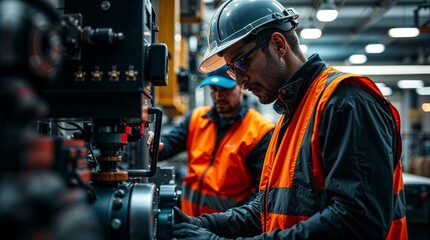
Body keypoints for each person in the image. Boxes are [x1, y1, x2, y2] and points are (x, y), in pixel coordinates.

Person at [171, 0, 408, 239]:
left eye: (242, 62)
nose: (240, 82)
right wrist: (198, 224)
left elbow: (358, 220)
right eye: (233, 69)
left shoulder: (346, 103)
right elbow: (267, 211)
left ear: (277, 44)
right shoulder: (292, 114)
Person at [147, 65, 274, 217]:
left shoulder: (260, 131)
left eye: (225, 89)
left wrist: (236, 225)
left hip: (226, 230)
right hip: (190, 222)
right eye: (213, 89)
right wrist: (157, 145)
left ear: (242, 87)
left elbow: (262, 194)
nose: (218, 96)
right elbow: (170, 143)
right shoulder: (197, 118)